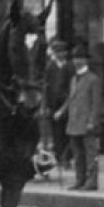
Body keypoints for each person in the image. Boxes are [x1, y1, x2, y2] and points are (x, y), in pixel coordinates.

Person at [55, 45, 103, 191]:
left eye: (80, 58)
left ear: (86, 60)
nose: (77, 61)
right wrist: (61, 111)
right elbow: (71, 98)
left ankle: (91, 181)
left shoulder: (93, 79)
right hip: (74, 121)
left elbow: (96, 103)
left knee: (90, 154)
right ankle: (80, 179)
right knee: (77, 154)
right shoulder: (74, 79)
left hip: (86, 122)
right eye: (75, 58)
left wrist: (92, 121)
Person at [44, 39, 74, 168]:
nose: (60, 54)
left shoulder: (71, 66)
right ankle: (59, 156)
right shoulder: (50, 67)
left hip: (68, 102)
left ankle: (67, 157)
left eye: (62, 51)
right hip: (53, 103)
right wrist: (46, 104)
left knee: (68, 131)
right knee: (56, 132)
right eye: (57, 52)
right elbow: (46, 86)